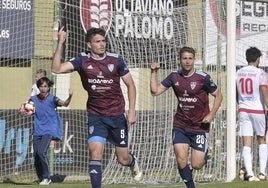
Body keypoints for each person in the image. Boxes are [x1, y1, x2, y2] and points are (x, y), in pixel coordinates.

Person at [51, 27, 142, 187]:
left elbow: (131, 85)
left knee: (123, 159)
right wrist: (60, 43)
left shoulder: (116, 60)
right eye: (97, 42)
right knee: (95, 152)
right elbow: (56, 69)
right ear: (89, 45)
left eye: (103, 41)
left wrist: (132, 111)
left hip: (117, 116)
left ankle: (132, 161)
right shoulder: (82, 60)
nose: (102, 44)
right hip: (96, 116)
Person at [150, 46, 222, 188]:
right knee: (181, 159)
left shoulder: (203, 78)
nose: (187, 61)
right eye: (185, 58)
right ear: (179, 60)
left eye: (190, 58)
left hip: (200, 126)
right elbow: (155, 91)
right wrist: (153, 72)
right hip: (180, 125)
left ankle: (206, 155)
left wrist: (211, 114)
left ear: (194, 60)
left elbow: (219, 95)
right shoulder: (174, 76)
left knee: (196, 165)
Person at [19, 77, 73, 185]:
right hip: (37, 131)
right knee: (36, 156)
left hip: (49, 130)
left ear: (48, 88)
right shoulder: (33, 99)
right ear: (38, 87)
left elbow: (65, 104)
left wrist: (70, 96)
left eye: (45, 86)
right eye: (41, 86)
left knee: (41, 152)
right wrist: (21, 111)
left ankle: (47, 178)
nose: (43, 88)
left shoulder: (53, 99)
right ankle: (41, 178)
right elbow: (23, 109)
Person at [236, 47, 268, 181]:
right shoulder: (260, 72)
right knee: (262, 139)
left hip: (243, 109)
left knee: (246, 142)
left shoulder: (238, 72)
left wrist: (240, 104)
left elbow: (235, 93)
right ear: (258, 59)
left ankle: (249, 174)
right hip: (258, 110)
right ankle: (262, 173)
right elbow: (264, 91)